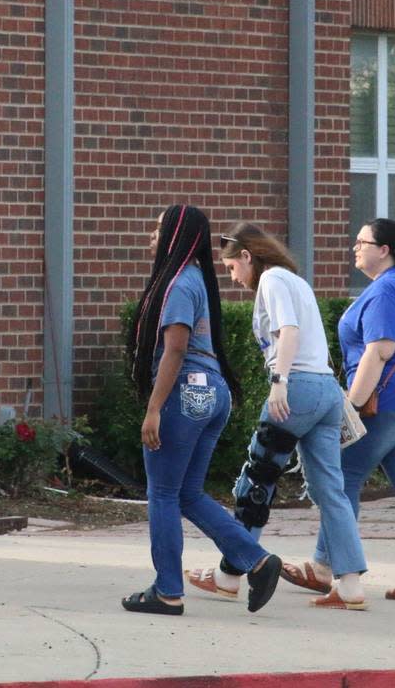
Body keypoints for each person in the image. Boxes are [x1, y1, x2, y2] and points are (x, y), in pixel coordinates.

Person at [186, 222, 369, 610]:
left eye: (234, 268)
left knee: (258, 478)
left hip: (298, 385)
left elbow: (289, 331)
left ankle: (230, 574)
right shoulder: (297, 281)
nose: (234, 278)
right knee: (329, 490)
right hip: (324, 389)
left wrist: (279, 382)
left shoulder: (271, 281)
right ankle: (351, 585)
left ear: (248, 257)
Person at [121, 205, 282, 616]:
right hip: (215, 394)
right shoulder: (196, 280)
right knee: (188, 494)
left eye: (157, 229)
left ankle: (168, 591)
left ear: (174, 235)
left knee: (161, 493)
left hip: (185, 395)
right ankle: (257, 561)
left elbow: (175, 348)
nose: (150, 238)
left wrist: (153, 408)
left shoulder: (176, 284)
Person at [281, 217, 395, 604]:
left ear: (384, 250)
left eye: (362, 242)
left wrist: (351, 408)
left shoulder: (385, 291)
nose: (355, 247)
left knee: (342, 477)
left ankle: (328, 570)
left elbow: (379, 351)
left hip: (389, 400)